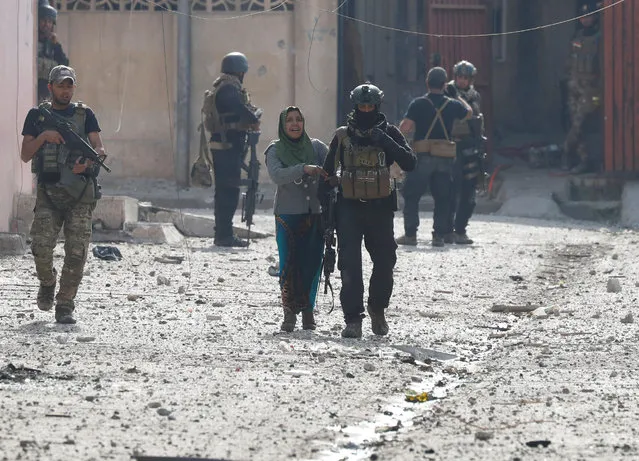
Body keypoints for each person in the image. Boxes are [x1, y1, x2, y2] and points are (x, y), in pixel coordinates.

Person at [321, 83, 416, 339]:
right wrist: (325, 217)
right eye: (361, 106)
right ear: (355, 107)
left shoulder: (390, 133)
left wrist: (385, 141)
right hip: (349, 209)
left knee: (385, 263)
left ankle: (377, 309)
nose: (365, 110)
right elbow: (327, 174)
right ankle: (353, 319)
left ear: (377, 107)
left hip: (380, 209)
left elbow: (410, 162)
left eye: (370, 106)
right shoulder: (342, 136)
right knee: (350, 265)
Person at [20, 65, 106, 324]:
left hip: (80, 193)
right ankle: (47, 283)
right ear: (50, 88)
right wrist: (44, 136)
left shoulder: (85, 114)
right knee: (40, 247)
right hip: (49, 193)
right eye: (60, 85)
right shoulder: (37, 116)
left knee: (76, 253)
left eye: (69, 86)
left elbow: (99, 149)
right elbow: (25, 154)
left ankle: (65, 304)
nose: (65, 90)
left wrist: (87, 164)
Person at [265, 107, 328, 332]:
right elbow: (277, 175)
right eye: (290, 120)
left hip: (314, 214)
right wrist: (304, 169)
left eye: (299, 119)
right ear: (283, 125)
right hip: (287, 215)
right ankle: (289, 312)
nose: (295, 124)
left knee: (312, 263)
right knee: (289, 264)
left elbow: (333, 170)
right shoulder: (275, 149)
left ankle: (308, 312)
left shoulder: (317, 147)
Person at [396, 67, 472, 247]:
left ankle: (410, 235)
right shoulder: (452, 105)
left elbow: (405, 128)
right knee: (443, 197)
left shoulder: (418, 104)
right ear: (445, 84)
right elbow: (469, 112)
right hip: (445, 157)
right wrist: (456, 96)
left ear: (427, 83)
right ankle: (438, 236)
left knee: (412, 195)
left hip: (422, 156)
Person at [202, 51, 262, 247]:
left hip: (228, 146)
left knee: (226, 190)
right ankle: (224, 235)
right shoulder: (228, 89)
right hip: (226, 146)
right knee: (228, 190)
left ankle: (223, 233)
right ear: (239, 71)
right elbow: (239, 109)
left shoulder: (227, 86)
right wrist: (253, 118)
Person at [563, 1, 603, 174]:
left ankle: (565, 150)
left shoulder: (600, 37)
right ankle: (583, 161)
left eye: (589, 16)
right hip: (574, 87)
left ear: (595, 17)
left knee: (579, 123)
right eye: (583, 17)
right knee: (576, 123)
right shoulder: (577, 37)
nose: (586, 20)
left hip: (591, 89)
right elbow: (570, 62)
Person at [448, 60, 484, 245]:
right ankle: (446, 230)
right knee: (450, 189)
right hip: (450, 146)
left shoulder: (474, 95)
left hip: (469, 146)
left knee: (469, 191)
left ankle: (460, 229)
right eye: (459, 77)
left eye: (465, 78)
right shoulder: (448, 93)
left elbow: (477, 121)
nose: (462, 81)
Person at [37, 1, 70, 103]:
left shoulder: (52, 44)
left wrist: (56, 45)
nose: (46, 24)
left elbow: (64, 64)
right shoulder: (33, 42)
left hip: (46, 92)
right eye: (43, 21)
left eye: (50, 22)